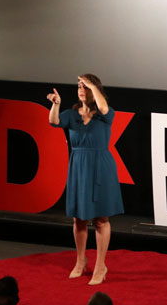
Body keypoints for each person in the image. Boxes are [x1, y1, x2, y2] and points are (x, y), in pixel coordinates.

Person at [47, 74, 124, 285]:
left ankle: (101, 266)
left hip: (100, 167)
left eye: (85, 86)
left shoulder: (104, 114)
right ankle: (80, 261)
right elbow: (54, 121)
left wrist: (92, 85)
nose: (81, 88)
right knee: (78, 218)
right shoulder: (71, 115)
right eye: (79, 86)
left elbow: (105, 108)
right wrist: (56, 104)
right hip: (79, 167)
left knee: (101, 219)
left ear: (94, 89)